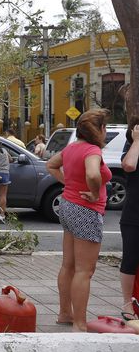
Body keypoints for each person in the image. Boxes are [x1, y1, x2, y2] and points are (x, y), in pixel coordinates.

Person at [46, 109, 112, 332]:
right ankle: (80, 324)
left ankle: (65, 313)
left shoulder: (71, 148)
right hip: (86, 210)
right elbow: (93, 175)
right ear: (100, 130)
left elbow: (51, 165)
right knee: (85, 270)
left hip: (68, 206)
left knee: (69, 265)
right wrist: (93, 193)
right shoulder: (92, 151)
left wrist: (68, 183)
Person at [119, 119, 139, 318]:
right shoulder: (133, 148)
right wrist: (137, 141)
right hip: (134, 214)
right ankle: (127, 305)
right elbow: (129, 165)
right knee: (130, 259)